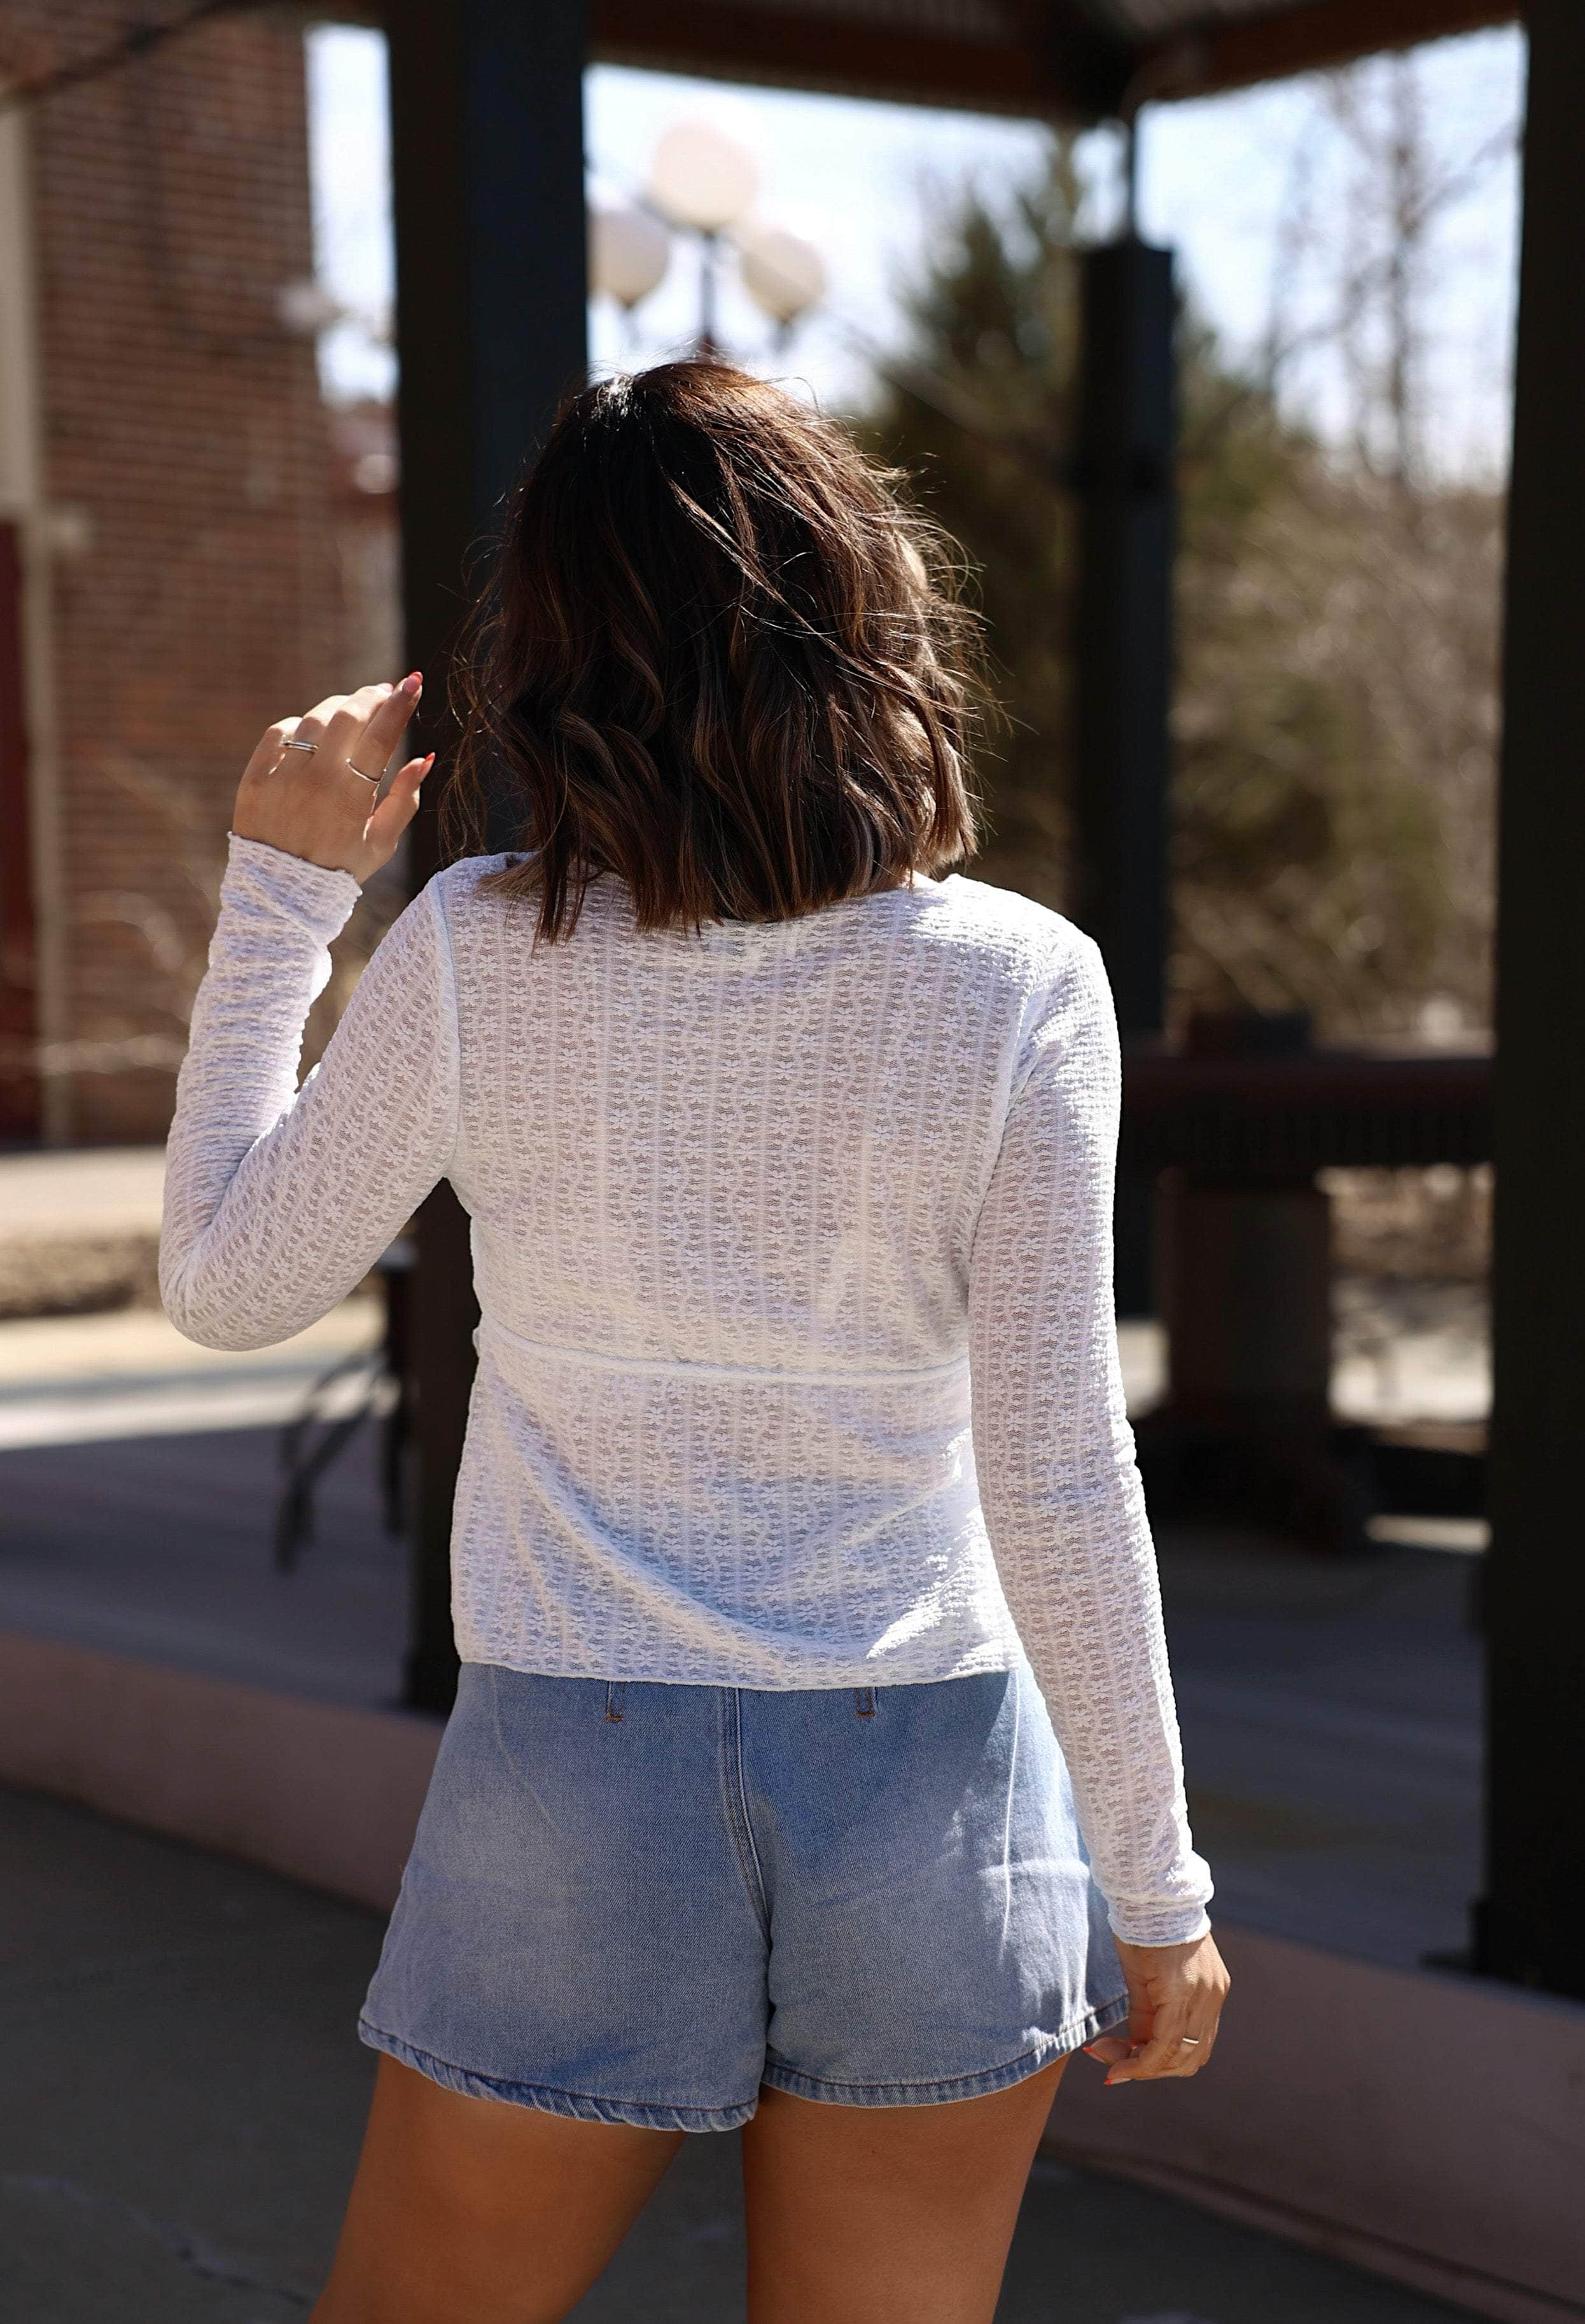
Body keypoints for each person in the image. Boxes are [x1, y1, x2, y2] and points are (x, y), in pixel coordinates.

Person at [160, 359, 1227, 2324]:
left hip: (582, 1757)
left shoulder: (479, 947)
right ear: (866, 611)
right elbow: (1060, 1465)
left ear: (554, 646)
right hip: (937, 1778)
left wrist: (282, 904)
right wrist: (1157, 1889)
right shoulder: (1016, 984)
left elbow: (226, 1285)